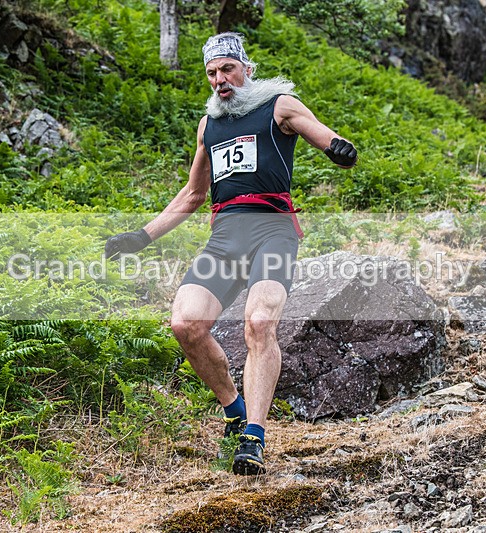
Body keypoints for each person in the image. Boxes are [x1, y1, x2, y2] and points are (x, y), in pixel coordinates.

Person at [104, 32, 357, 475]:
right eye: (212, 73)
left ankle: (253, 439)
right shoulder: (209, 124)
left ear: (246, 70)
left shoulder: (278, 105)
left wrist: (338, 148)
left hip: (274, 232)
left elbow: (322, 134)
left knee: (260, 323)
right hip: (225, 238)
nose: (220, 80)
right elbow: (192, 195)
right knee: (186, 323)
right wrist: (141, 237)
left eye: (227, 69)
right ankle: (234, 410)